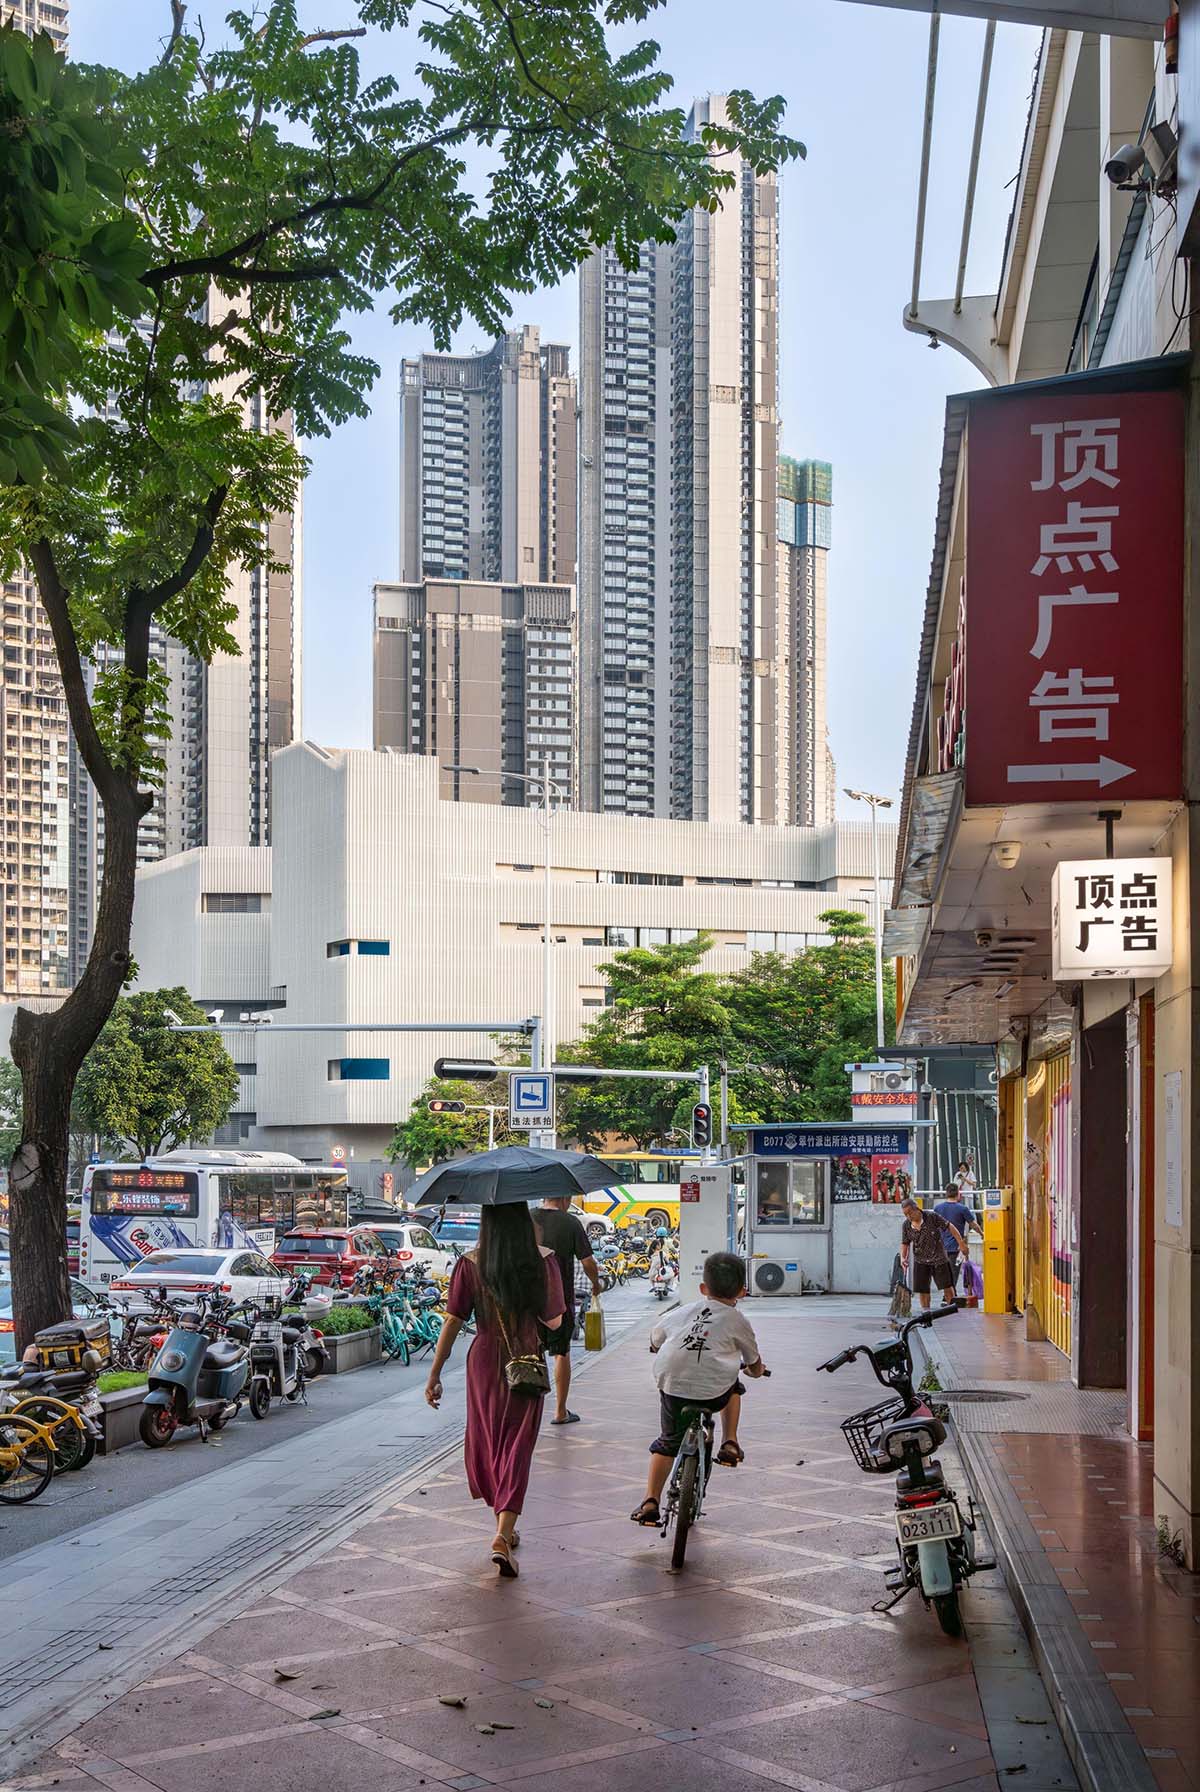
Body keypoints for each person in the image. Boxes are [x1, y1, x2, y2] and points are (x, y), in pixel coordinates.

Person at [425, 1202, 564, 1579]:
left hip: (484, 1362)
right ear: (523, 1220)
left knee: (490, 1440)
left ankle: (504, 1525)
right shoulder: (544, 1260)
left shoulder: (470, 1263)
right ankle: (503, 1534)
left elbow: (453, 1320)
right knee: (517, 1446)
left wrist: (435, 1373)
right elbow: (554, 1319)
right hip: (525, 1360)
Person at [630, 1251, 767, 1527]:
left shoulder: (682, 1311)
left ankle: (650, 1501)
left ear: (703, 1288)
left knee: (668, 1442)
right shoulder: (737, 1320)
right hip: (714, 1393)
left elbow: (656, 1338)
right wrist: (756, 1371)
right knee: (733, 1386)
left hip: (673, 1386)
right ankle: (730, 1442)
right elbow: (753, 1362)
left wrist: (657, 1347)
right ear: (742, 1291)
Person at [534, 1195, 600, 1426]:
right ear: (564, 1197)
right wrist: (595, 1283)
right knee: (561, 1352)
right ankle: (560, 1411)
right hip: (560, 1299)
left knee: (533, 1351)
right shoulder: (570, 1222)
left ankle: (532, 1409)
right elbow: (588, 1262)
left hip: (530, 1300)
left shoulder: (528, 1219)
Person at [899, 1196, 967, 1311]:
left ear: (917, 1209)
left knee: (947, 1286)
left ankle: (952, 1309)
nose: (908, 1217)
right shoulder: (906, 1225)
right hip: (920, 1260)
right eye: (905, 1214)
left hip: (939, 1258)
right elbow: (905, 1243)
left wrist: (961, 1243)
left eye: (910, 1213)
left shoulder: (931, 1217)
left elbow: (949, 1226)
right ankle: (926, 1312)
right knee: (923, 1290)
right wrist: (902, 1257)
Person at [933, 1181, 982, 1287]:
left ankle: (946, 1296)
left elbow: (933, 1227)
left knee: (943, 1273)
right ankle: (949, 1297)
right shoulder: (963, 1209)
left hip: (940, 1247)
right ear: (958, 1194)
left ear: (946, 1193)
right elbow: (973, 1225)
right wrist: (982, 1234)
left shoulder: (937, 1208)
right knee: (953, 1273)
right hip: (956, 1247)